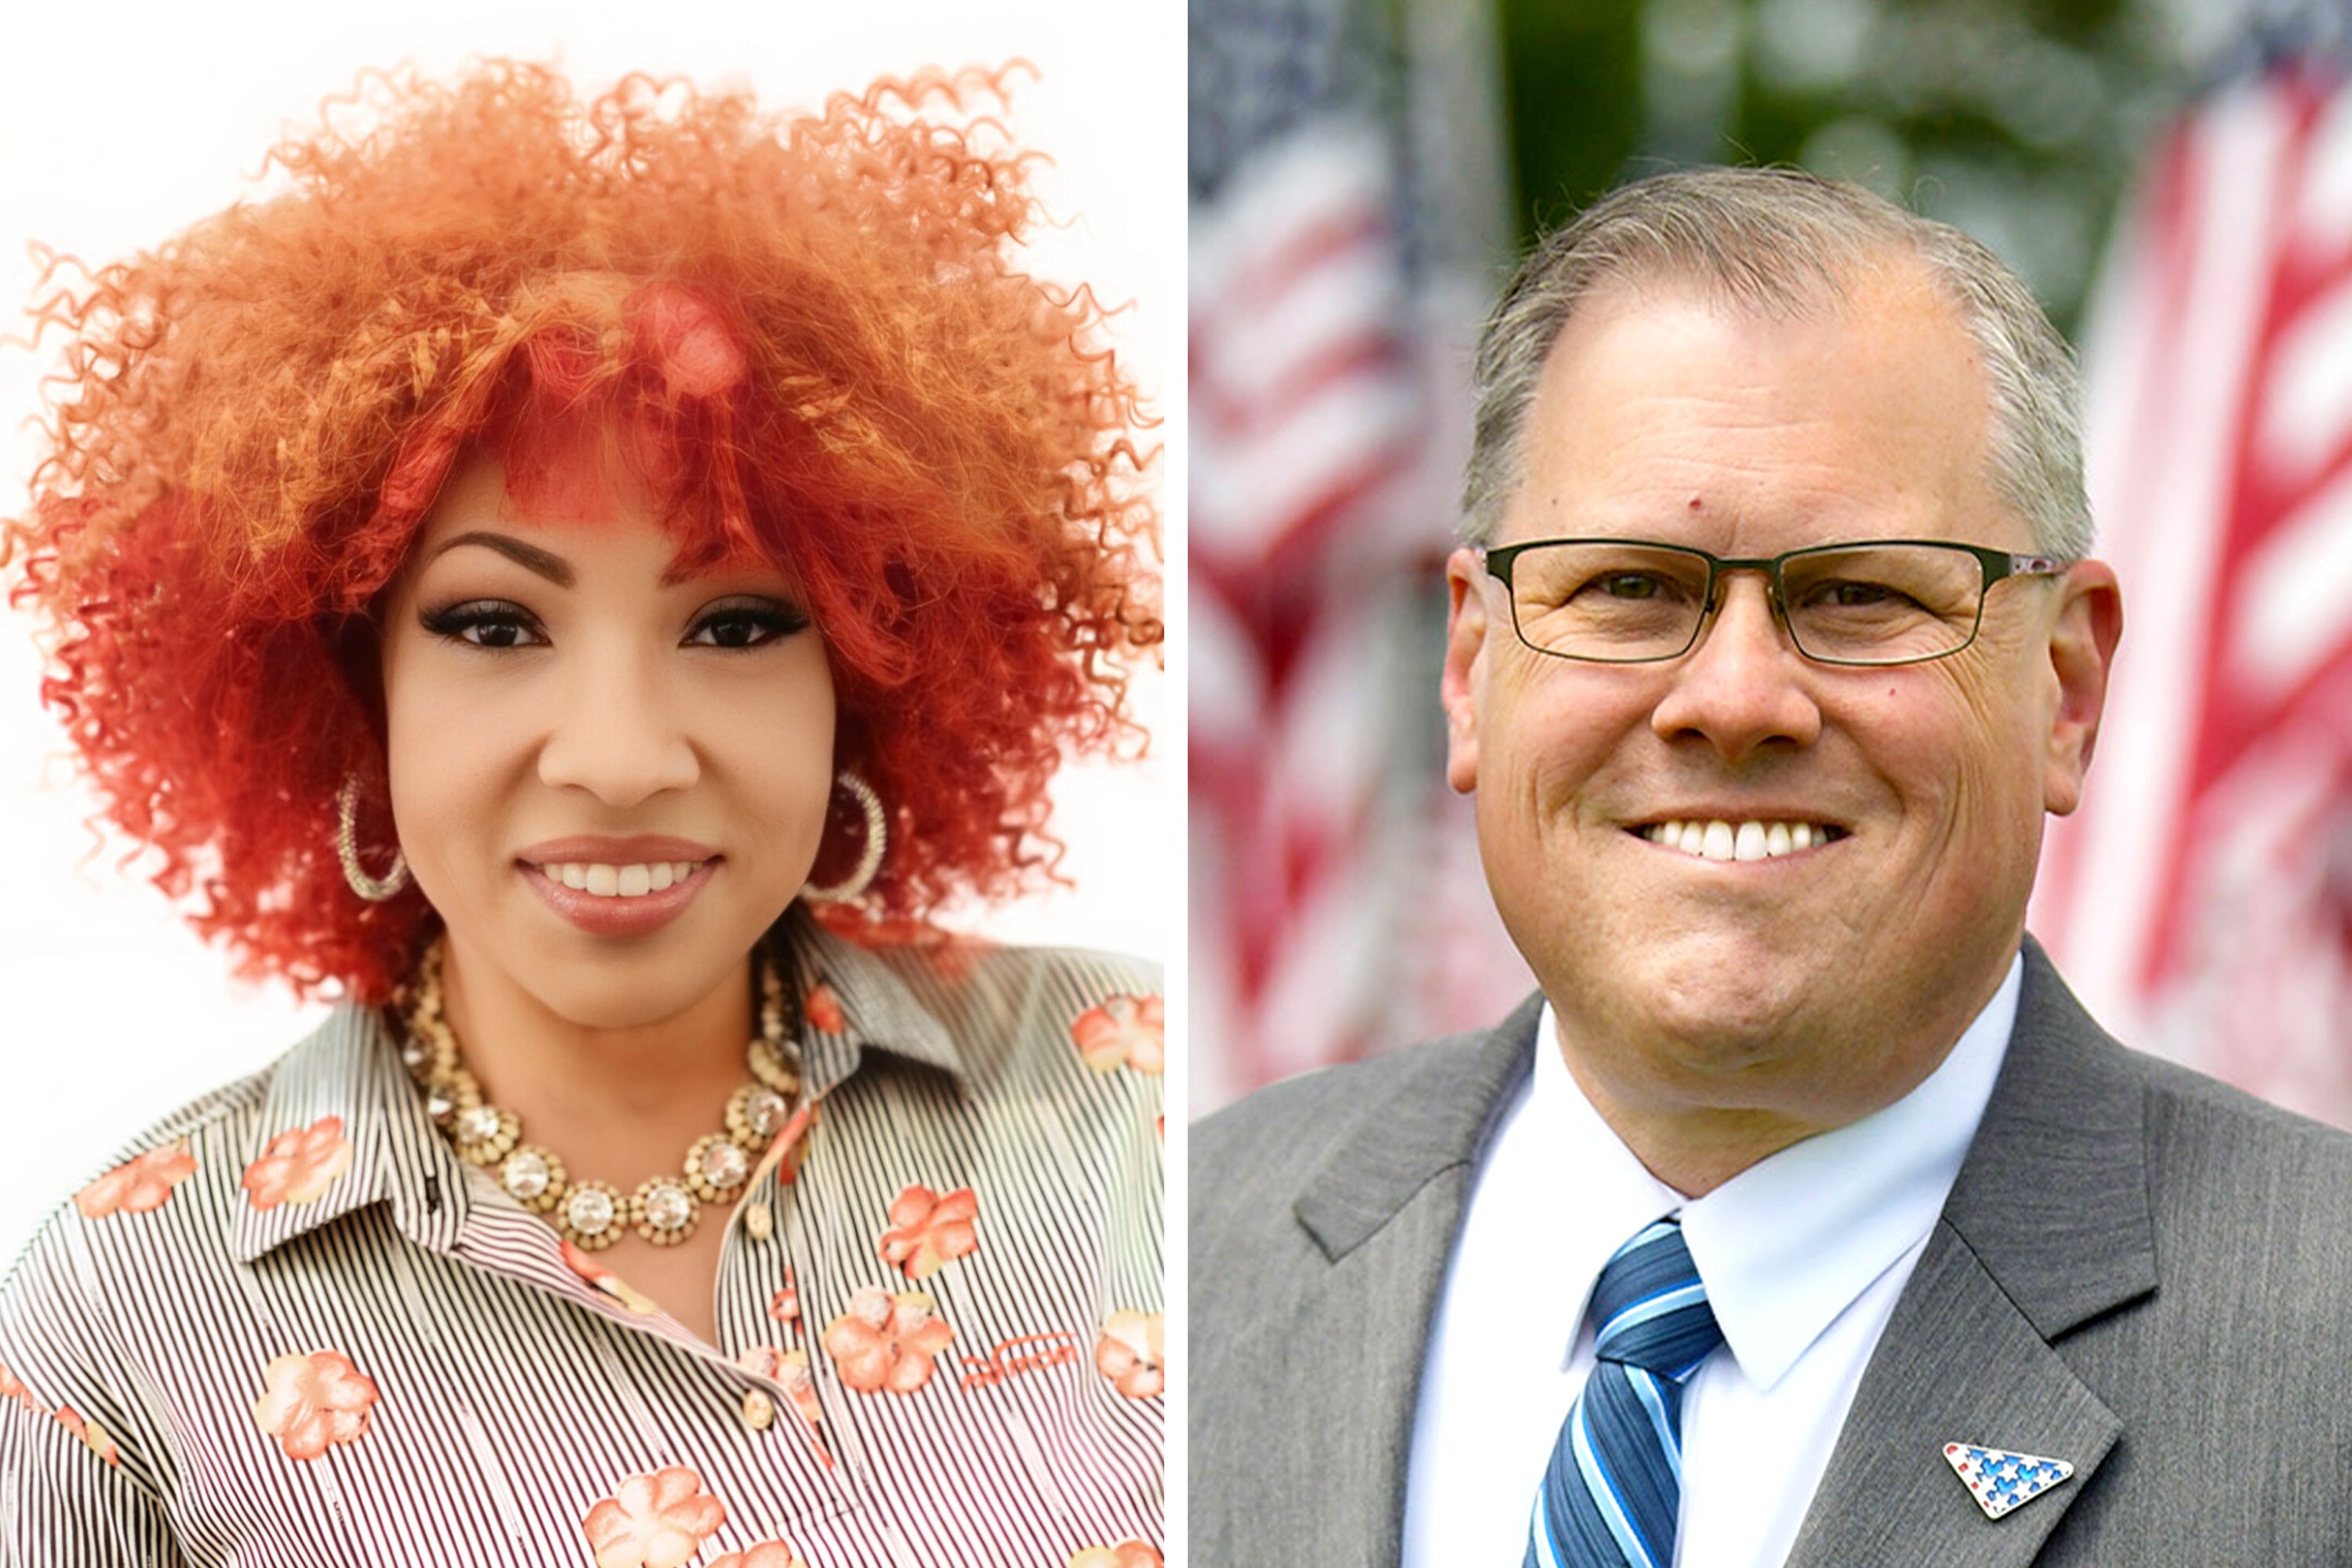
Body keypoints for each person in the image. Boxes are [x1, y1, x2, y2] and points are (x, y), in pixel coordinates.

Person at [0, 63, 1165, 1566]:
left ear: (868, 675)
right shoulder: (112, 1338)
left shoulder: (1139, 1099)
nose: (620, 759)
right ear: (353, 693)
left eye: (737, 623)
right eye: (494, 625)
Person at [1189, 165, 2352, 1566]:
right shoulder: (1174, 1255)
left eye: (1862, 593)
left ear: (2066, 685)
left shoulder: (2321, 1343)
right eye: (1627, 588)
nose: (1733, 699)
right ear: (1469, 667)